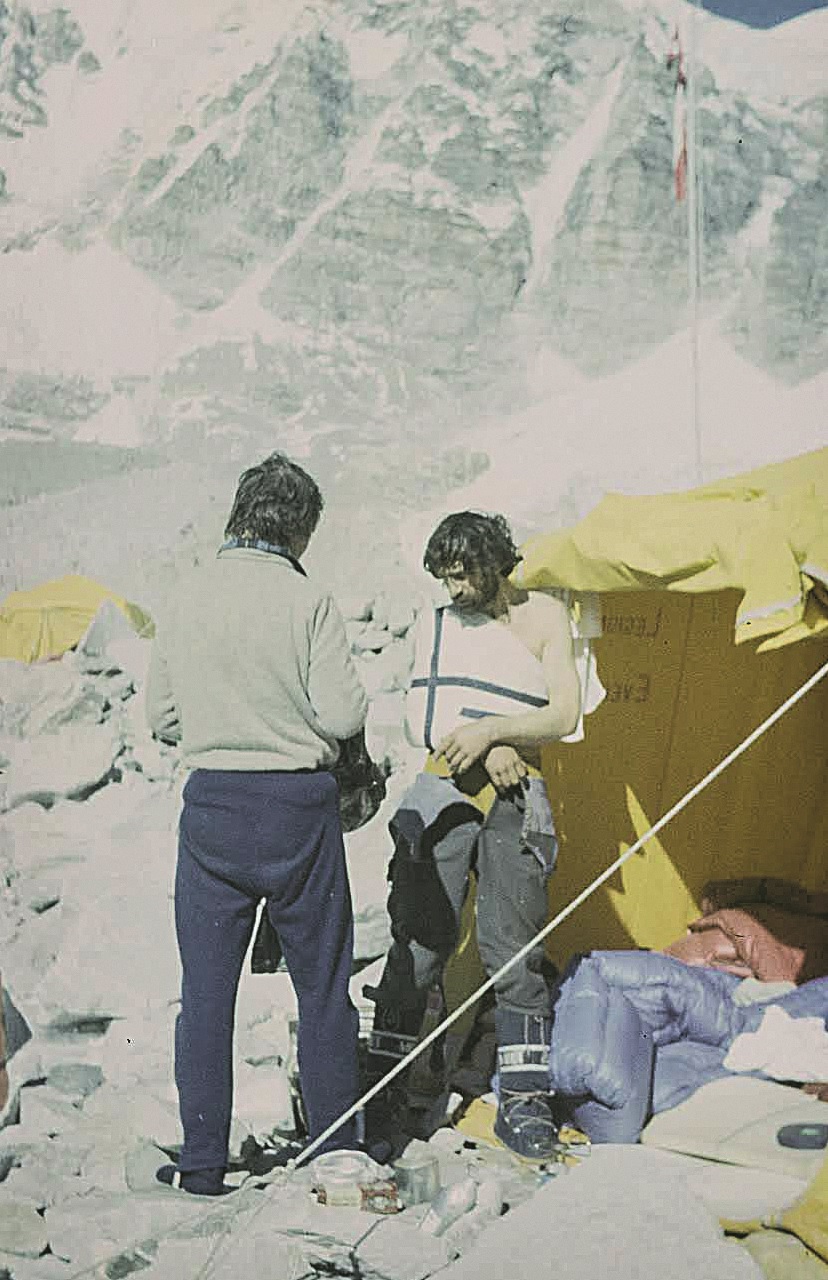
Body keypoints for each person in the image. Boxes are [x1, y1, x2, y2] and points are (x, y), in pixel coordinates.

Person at [145, 451, 368, 1195]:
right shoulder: (308, 601)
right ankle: (337, 1150)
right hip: (297, 813)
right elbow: (341, 713)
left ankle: (203, 1162)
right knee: (322, 987)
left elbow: (162, 716)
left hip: (212, 808)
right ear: (301, 529)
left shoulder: (186, 596)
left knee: (206, 996)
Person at [365, 511, 581, 1160]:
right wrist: (485, 744)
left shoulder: (545, 619)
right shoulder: (437, 626)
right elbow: (423, 713)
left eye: (464, 576)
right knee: (419, 947)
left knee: (512, 947)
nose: (455, 591)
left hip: (516, 796)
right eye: (445, 578)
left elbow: (564, 714)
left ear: (495, 564)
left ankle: (524, 1101)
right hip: (443, 788)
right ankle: (383, 1097)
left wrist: (493, 733)